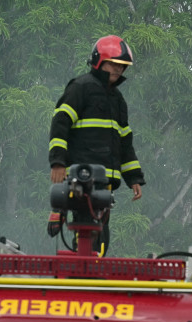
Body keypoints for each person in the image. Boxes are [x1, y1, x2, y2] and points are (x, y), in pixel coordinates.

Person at [49, 34, 145, 253]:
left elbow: (125, 143)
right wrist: (57, 162)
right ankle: (59, 210)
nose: (118, 70)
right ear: (98, 60)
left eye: (122, 66)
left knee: (101, 239)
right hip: (82, 178)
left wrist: (134, 178)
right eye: (114, 64)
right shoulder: (80, 87)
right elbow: (60, 124)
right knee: (86, 233)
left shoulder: (118, 100)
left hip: (106, 183)